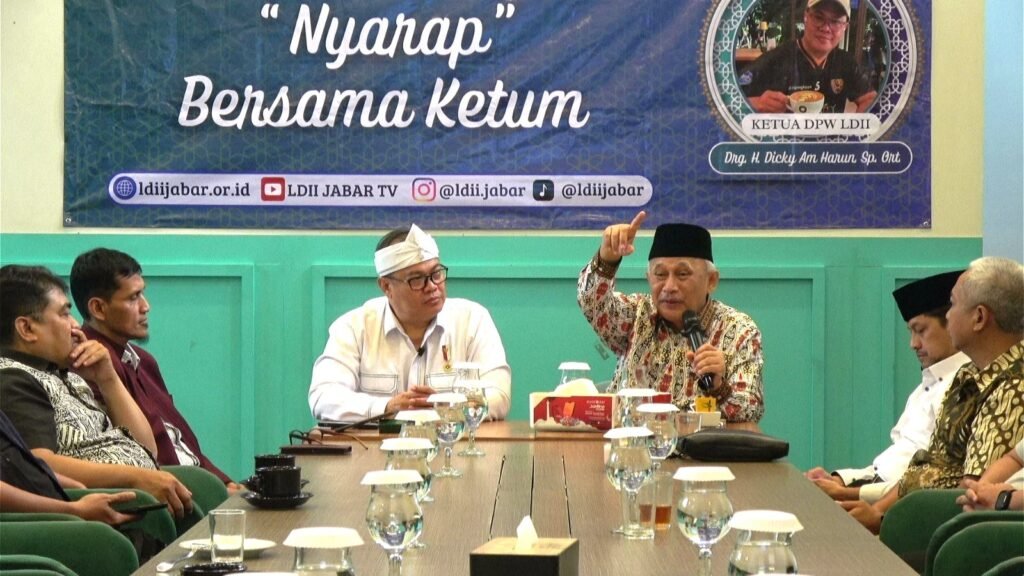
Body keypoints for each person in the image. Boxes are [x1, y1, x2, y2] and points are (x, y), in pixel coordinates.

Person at [844, 257, 1024, 532]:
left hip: (947, 534)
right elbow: (929, 466)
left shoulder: (1014, 388)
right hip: (916, 518)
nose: (948, 314)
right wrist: (877, 511)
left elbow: (971, 496)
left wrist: (883, 521)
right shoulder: (967, 374)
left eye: (953, 304)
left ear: (979, 317)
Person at [0, 265, 194, 518]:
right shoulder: (13, 379)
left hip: (138, 494)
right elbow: (40, 462)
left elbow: (148, 448)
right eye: (64, 314)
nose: (75, 326)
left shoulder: (64, 372)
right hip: (107, 512)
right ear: (27, 329)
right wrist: (134, 477)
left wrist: (108, 379)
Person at [69, 248, 240, 491]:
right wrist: (212, 489)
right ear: (98, 308)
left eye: (142, 293)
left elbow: (179, 438)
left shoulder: (144, 361)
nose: (145, 306)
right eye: (133, 298)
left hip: (198, 482)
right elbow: (138, 454)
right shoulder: (90, 366)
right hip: (170, 490)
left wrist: (225, 482)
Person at [309, 224, 512, 422]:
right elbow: (323, 397)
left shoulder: (472, 320)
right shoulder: (354, 327)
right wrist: (387, 408)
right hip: (376, 444)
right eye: (417, 280)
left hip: (453, 441)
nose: (432, 286)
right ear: (386, 286)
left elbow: (499, 394)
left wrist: (448, 407)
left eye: (436, 274)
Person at [577, 211, 764, 423]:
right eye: (660, 275)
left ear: (711, 281)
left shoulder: (739, 330)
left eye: (682, 274)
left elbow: (751, 409)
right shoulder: (637, 314)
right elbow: (591, 303)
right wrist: (607, 259)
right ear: (648, 278)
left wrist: (718, 387)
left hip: (701, 443)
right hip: (631, 439)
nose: (669, 287)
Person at [807, 271, 969, 503]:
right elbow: (890, 466)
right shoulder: (924, 388)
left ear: (952, 324)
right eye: (911, 332)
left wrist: (848, 493)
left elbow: (931, 480)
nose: (913, 344)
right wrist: (841, 480)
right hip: (880, 493)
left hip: (906, 506)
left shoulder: (965, 387)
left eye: (921, 330)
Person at [740, 0, 878, 114]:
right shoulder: (775, 59)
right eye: (819, 17)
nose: (826, 28)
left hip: (830, 139)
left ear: (845, 27)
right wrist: (756, 103)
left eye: (835, 21)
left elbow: (870, 99)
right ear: (806, 16)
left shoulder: (847, 62)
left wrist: (856, 129)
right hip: (787, 139)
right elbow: (731, 97)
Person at [956, 439, 1023, 512]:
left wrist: (1006, 500)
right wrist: (980, 492)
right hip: (995, 507)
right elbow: (1015, 460)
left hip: (1011, 513)